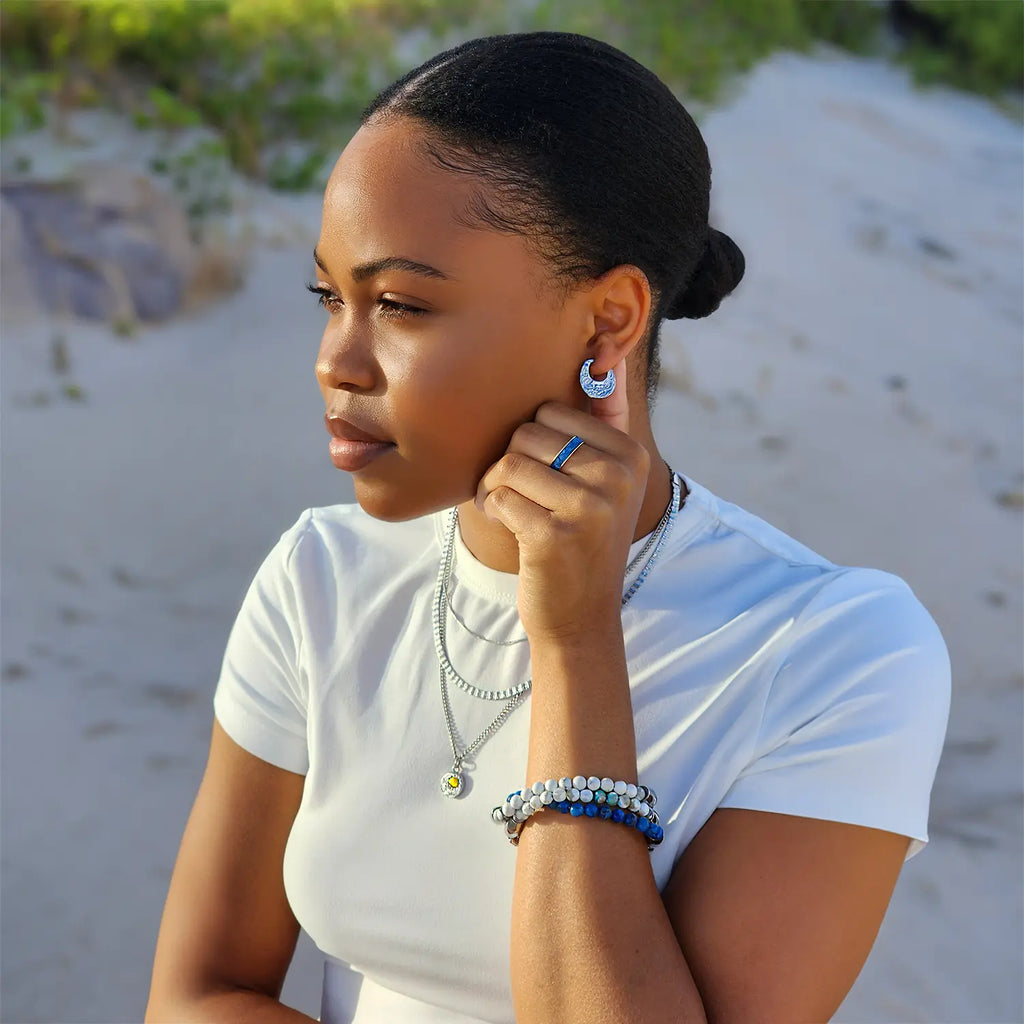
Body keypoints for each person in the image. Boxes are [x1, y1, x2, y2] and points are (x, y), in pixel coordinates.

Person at [145, 30, 951, 1024]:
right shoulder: (322, 574)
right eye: (330, 297)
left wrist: (575, 642)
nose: (335, 363)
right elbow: (197, 993)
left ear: (608, 321)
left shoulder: (834, 651)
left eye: (397, 303)